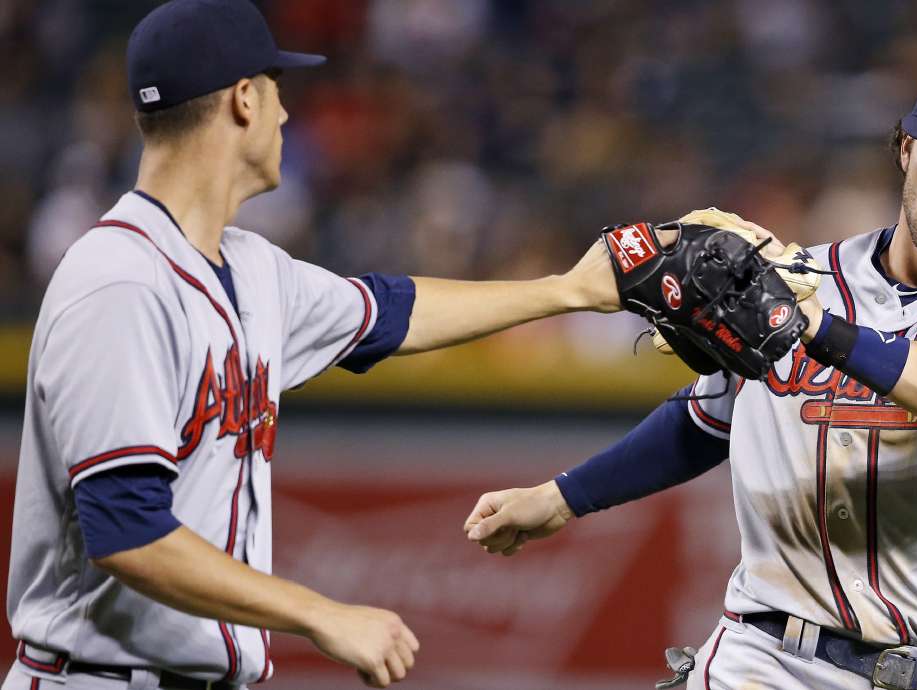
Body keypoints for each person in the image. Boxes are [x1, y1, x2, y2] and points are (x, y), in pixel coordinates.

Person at [3, 2, 620, 689]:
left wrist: (571, 291)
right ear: (242, 99)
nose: (287, 116)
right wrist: (319, 613)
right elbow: (128, 533)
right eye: (276, 92)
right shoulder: (117, 281)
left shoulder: (253, 269)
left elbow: (396, 313)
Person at [464, 53, 917, 690]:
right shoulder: (798, 279)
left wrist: (826, 331)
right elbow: (706, 418)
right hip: (757, 659)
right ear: (906, 148)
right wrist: (561, 497)